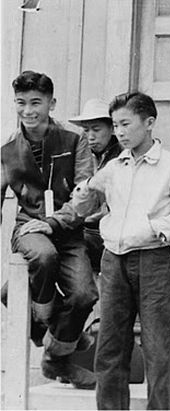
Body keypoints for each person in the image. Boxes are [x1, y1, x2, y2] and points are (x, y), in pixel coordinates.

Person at [68, 92, 170, 409]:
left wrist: (154, 229)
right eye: (115, 125)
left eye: (126, 124)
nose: (120, 132)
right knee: (111, 347)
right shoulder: (114, 167)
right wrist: (83, 194)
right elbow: (86, 207)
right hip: (113, 261)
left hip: (153, 261)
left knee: (157, 348)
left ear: (149, 122)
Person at [0, 70, 98, 388]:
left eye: (36, 103)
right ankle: (44, 320)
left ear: (51, 103)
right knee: (42, 255)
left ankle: (54, 357)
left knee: (84, 294)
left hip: (68, 230)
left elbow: (86, 194)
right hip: (28, 228)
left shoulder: (74, 139)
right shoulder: (5, 147)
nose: (28, 111)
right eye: (21, 103)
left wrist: (56, 221)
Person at [68, 98, 122, 272]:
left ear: (112, 129)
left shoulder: (122, 157)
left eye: (96, 129)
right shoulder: (81, 155)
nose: (90, 136)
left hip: (105, 233)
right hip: (79, 227)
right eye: (86, 130)